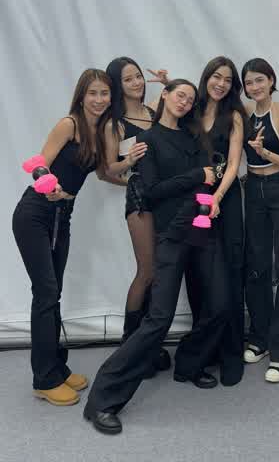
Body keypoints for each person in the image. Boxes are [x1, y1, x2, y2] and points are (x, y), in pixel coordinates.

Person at [84, 79, 230, 435]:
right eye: (180, 95)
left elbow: (208, 180)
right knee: (159, 318)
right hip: (170, 234)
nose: (185, 102)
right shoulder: (147, 141)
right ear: (164, 95)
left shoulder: (195, 137)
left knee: (220, 304)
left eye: (190, 99)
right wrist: (196, 176)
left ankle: (189, 364)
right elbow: (150, 192)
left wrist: (208, 192)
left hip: (202, 229)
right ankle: (102, 399)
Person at [12, 69, 112, 406]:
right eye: (93, 93)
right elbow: (40, 163)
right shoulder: (69, 124)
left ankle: (56, 366)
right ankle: (44, 379)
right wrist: (50, 185)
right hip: (35, 214)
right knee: (45, 294)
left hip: (62, 218)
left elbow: (105, 173)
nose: (99, 99)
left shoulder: (99, 134)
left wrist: (134, 176)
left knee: (53, 294)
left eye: (104, 93)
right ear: (81, 96)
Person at [151, 57, 248, 386]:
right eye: (216, 77)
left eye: (227, 79)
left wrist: (217, 198)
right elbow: (162, 124)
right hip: (191, 202)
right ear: (206, 78)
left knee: (228, 277)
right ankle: (202, 354)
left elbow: (233, 164)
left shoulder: (233, 116)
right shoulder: (190, 110)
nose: (220, 83)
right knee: (197, 279)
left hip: (223, 201)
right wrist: (166, 87)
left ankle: (230, 352)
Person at [103, 57, 170, 373]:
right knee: (146, 271)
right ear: (118, 85)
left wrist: (167, 83)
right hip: (140, 197)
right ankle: (130, 346)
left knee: (161, 273)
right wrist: (129, 163)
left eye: (138, 76)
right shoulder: (114, 123)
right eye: (128, 79)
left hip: (165, 196)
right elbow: (107, 170)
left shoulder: (153, 112)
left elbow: (180, 102)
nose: (137, 83)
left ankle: (148, 343)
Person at [241, 58, 279, 383]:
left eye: (260, 80)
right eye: (249, 82)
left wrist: (265, 152)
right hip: (253, 189)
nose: (255, 87)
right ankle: (260, 336)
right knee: (257, 265)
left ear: (271, 80)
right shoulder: (244, 114)